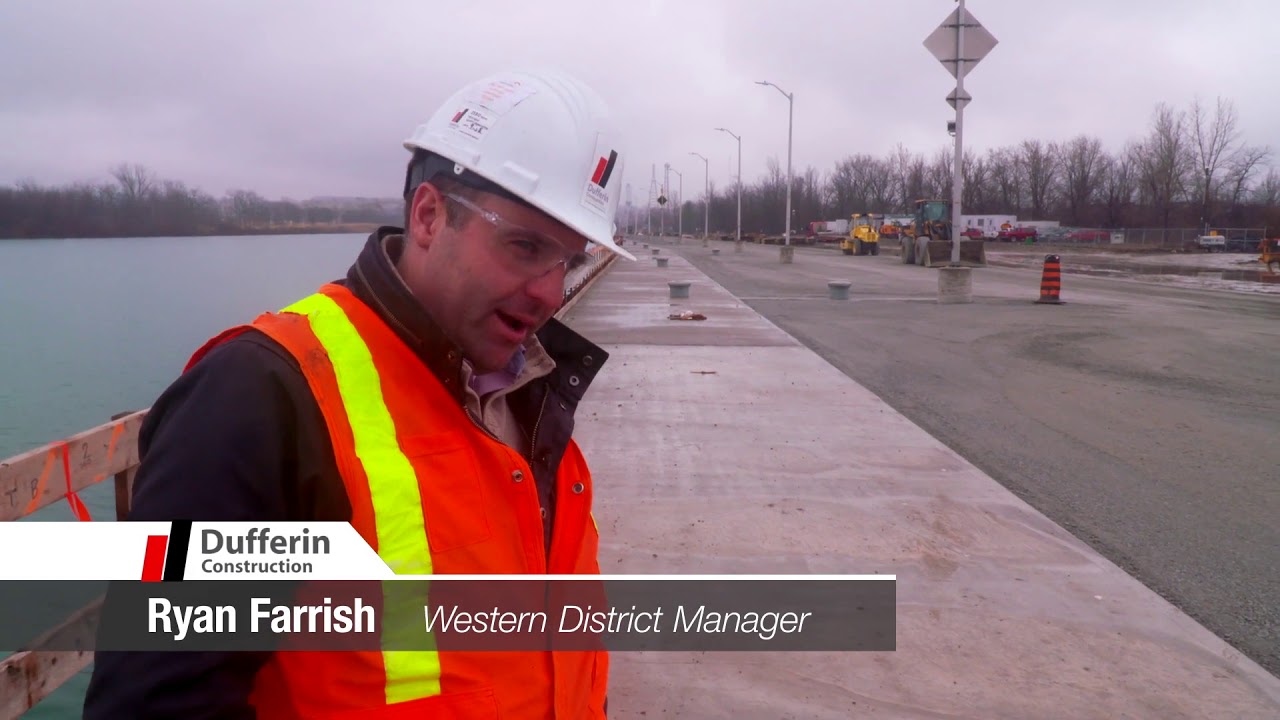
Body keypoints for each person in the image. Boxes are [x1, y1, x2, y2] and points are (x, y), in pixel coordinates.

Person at [84, 68, 635, 719]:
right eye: (524, 246)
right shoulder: (264, 396)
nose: (548, 292)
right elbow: (152, 704)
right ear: (428, 216)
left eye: (569, 261)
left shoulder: (529, 393)